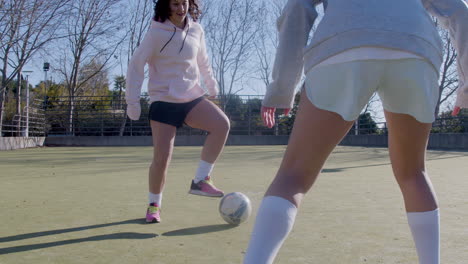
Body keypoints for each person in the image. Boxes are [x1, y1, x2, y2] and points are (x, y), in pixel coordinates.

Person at [243, 0, 468, 263]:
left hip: (343, 41)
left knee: (293, 176)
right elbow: (458, 11)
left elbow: (297, 7)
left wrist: (282, 87)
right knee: (413, 173)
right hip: (416, 48)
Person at [125, 0, 230, 223]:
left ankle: (201, 180)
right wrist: (132, 101)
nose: (180, 9)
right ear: (166, 6)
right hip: (163, 101)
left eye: (183, 3)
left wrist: (212, 86)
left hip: (191, 97)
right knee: (162, 159)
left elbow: (203, 60)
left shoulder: (197, 30)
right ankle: (154, 206)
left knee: (222, 124)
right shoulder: (155, 34)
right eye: (174, 4)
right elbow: (136, 65)